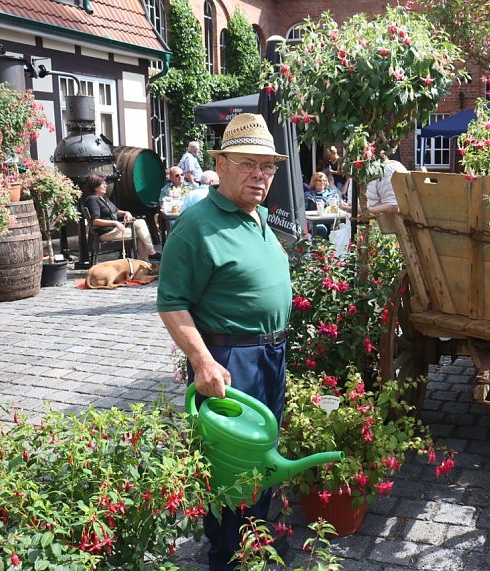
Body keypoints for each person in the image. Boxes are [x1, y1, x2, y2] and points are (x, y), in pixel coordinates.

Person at [156, 113, 291, 570]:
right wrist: (202, 360)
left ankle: (255, 540)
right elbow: (172, 302)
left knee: (263, 454)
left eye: (267, 166)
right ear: (221, 163)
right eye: (248, 163)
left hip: (271, 355)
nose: (260, 174)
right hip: (232, 359)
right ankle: (229, 557)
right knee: (233, 466)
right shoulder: (196, 225)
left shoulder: (259, 217)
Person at [82, 173, 160, 261]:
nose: (105, 185)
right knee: (139, 235)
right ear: (95, 185)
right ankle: (145, 262)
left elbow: (116, 211)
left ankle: (150, 253)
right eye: (102, 183)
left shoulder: (104, 198)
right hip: (106, 233)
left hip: (115, 229)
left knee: (140, 222)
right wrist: (115, 222)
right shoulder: (92, 199)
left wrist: (126, 212)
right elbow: (95, 221)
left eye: (105, 183)